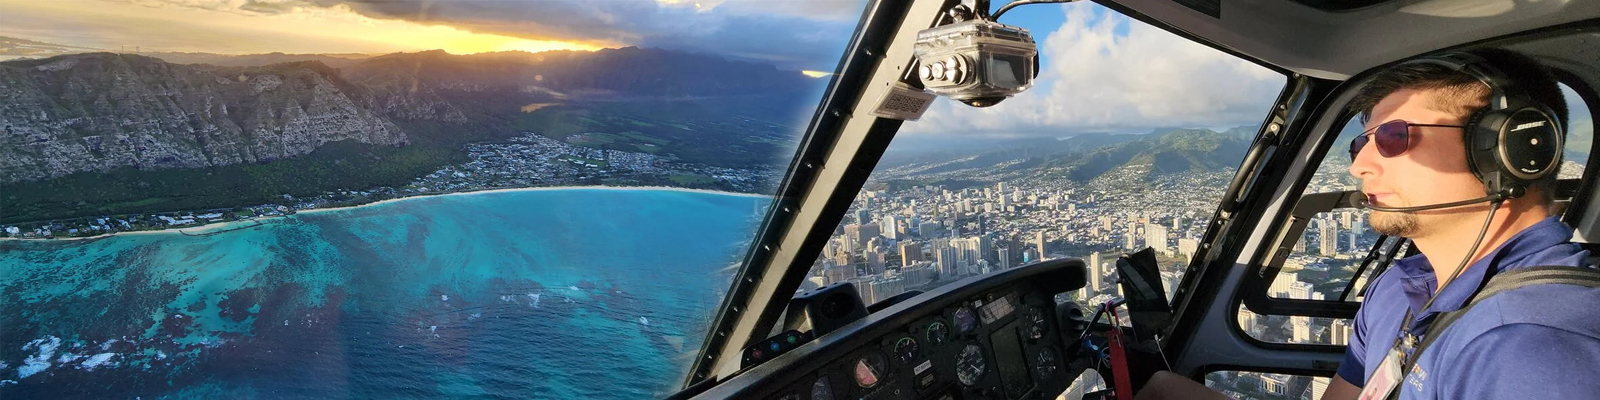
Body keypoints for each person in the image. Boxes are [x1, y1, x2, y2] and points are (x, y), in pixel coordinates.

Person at [1136, 48, 1600, 400]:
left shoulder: (1532, 348)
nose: (1360, 167)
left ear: (1513, 150)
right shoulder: (1400, 287)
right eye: (1361, 144)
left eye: (1394, 137)